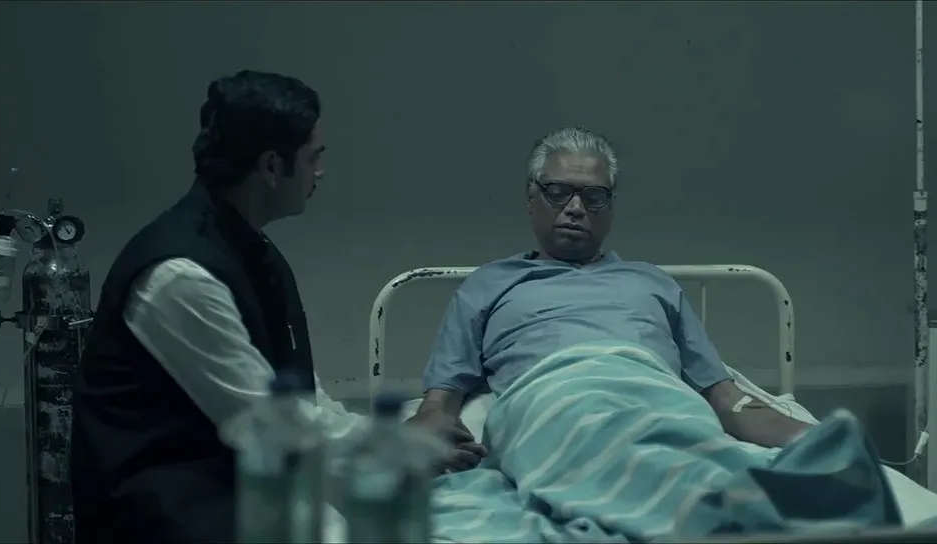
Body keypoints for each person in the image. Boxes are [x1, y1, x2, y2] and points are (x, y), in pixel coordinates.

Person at [68, 70, 479, 543]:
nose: (320, 172)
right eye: (313, 157)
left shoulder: (252, 253)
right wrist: (399, 445)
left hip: (232, 483)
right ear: (271, 166)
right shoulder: (179, 277)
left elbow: (298, 396)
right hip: (166, 508)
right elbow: (268, 419)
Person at [413, 126, 811, 473]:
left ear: (611, 207)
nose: (575, 208)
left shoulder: (653, 283)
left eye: (594, 196)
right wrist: (425, 436)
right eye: (558, 192)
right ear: (531, 198)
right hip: (549, 405)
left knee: (696, 455)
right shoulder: (487, 284)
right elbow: (438, 405)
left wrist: (814, 440)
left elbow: (727, 399)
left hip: (657, 405)